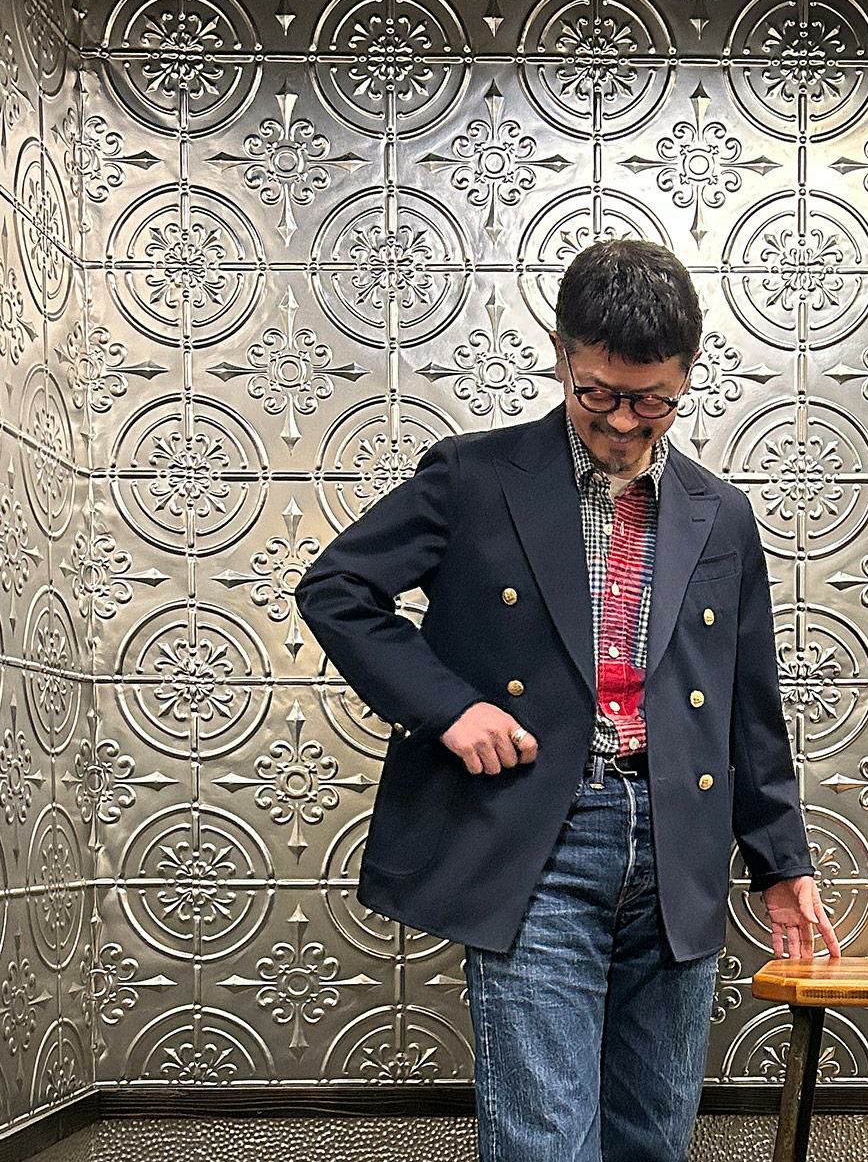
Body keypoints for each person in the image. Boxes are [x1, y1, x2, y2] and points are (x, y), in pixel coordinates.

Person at [294, 239, 840, 1161]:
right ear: (560, 356)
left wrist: (781, 861)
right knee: (544, 1141)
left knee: (653, 1138)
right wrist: (449, 708)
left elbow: (749, 706)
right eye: (599, 393)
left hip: (678, 841)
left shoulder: (721, 513)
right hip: (540, 833)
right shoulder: (473, 477)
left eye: (653, 400)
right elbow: (338, 589)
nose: (624, 423)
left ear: (686, 375)